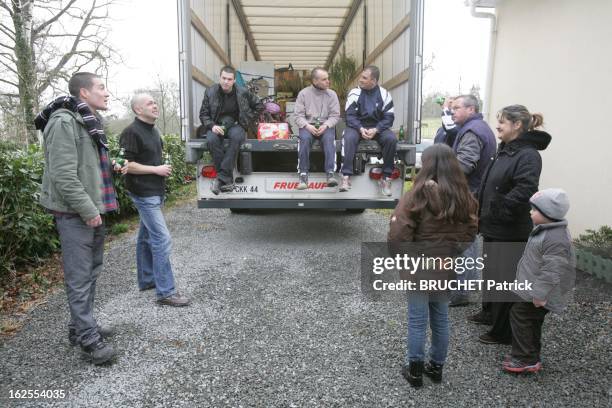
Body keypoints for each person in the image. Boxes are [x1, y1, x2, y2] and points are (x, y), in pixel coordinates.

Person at [37, 72, 118, 365]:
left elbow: (89, 165)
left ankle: (79, 328)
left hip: (92, 209)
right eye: (101, 87)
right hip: (76, 213)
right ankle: (88, 340)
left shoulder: (88, 121)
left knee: (91, 273)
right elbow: (63, 175)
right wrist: (88, 210)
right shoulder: (63, 121)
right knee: (79, 277)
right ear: (84, 93)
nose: (107, 92)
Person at [388, 144, 478, 387]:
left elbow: (398, 234)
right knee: (440, 318)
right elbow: (471, 232)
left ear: (426, 165)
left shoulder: (416, 195)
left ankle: (415, 371)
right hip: (445, 265)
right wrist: (452, 251)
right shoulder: (464, 197)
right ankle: (436, 368)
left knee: (417, 320)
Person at [473, 105, 551, 345]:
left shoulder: (527, 154)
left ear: (517, 125)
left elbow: (526, 187)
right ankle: (489, 315)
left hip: (509, 228)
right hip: (493, 226)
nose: (498, 126)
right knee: (491, 274)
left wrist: (500, 208)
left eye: (503, 122)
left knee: (504, 278)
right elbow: (492, 182)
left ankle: (502, 331)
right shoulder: (504, 150)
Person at [119, 93, 190, 307]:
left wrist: (162, 168)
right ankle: (166, 292)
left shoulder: (155, 130)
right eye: (150, 103)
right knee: (162, 239)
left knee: (146, 237)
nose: (155, 105)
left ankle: (147, 279)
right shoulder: (130, 132)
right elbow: (125, 164)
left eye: (155, 102)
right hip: (143, 193)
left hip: (155, 191)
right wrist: (156, 169)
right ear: (138, 110)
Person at [504, 188, 576, 373]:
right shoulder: (545, 230)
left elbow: (552, 271)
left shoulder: (555, 238)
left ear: (548, 214)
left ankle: (524, 358)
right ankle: (530, 355)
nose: (530, 212)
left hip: (539, 293)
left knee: (520, 317)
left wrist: (540, 294)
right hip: (533, 288)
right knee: (530, 321)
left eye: (534, 210)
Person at [443, 95, 497, 306]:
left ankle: (460, 294)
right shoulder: (477, 127)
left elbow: (464, 165)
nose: (452, 111)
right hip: (471, 194)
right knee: (468, 242)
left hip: (467, 195)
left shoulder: (473, 131)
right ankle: (463, 289)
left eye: (457, 108)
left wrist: (441, 172)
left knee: (463, 243)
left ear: (471, 109)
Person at [199, 66, 263, 194]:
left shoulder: (243, 92)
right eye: (224, 78)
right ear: (219, 78)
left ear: (234, 80)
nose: (226, 82)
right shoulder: (210, 92)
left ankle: (221, 179)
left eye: (229, 79)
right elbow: (203, 114)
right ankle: (227, 180)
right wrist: (212, 126)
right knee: (211, 140)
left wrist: (246, 120)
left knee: (237, 138)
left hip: (235, 125)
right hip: (216, 125)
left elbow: (259, 106)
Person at [340, 65, 397, 196]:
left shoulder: (385, 94)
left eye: (364, 78)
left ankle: (386, 178)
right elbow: (349, 116)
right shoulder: (354, 92)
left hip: (378, 127)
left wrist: (376, 129)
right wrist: (360, 128)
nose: (360, 79)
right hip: (357, 126)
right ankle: (346, 177)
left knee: (391, 139)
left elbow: (389, 118)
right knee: (348, 137)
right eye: (361, 76)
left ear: (374, 81)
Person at [294, 67, 341, 189]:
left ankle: (330, 174)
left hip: (326, 126)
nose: (328, 81)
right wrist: (307, 126)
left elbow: (335, 115)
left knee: (329, 140)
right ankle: (303, 175)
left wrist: (326, 125)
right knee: (304, 140)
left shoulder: (332, 94)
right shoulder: (303, 94)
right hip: (307, 126)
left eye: (328, 79)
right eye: (324, 79)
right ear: (315, 81)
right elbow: (298, 116)